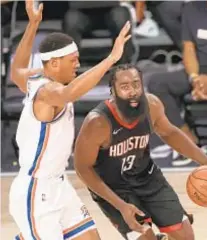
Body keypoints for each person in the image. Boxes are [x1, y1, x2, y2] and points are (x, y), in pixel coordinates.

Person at [9, 0, 131, 239]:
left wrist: (34, 24)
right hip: (36, 191)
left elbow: (16, 70)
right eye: (72, 60)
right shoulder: (47, 92)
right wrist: (110, 60)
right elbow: (69, 93)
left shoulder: (35, 81)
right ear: (54, 63)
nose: (77, 64)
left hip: (59, 185)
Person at [73, 64, 207, 240]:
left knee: (186, 237)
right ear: (112, 91)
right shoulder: (98, 122)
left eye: (136, 84)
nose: (132, 91)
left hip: (147, 178)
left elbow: (169, 133)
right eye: (125, 87)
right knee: (146, 237)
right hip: (114, 188)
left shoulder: (152, 105)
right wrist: (121, 206)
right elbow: (82, 168)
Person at [148, 0, 207, 166]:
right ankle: (186, 138)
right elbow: (188, 48)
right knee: (157, 83)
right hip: (199, 69)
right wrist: (195, 78)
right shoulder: (191, 8)